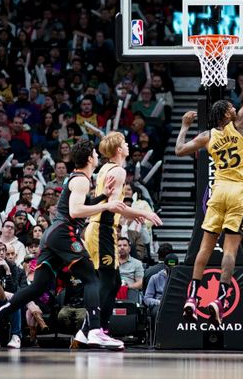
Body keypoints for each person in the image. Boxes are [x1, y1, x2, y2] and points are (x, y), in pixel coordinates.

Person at [0, 139, 130, 350]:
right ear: (88, 158)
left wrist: (103, 197)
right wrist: (109, 204)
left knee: (38, 287)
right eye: (94, 153)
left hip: (53, 235)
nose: (97, 156)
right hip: (64, 233)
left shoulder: (77, 179)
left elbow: (78, 206)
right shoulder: (81, 180)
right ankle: (95, 330)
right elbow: (76, 212)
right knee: (91, 277)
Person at [175, 29, 243, 324]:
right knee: (230, 249)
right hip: (238, 191)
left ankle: (192, 295)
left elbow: (179, 150)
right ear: (226, 114)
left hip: (217, 189)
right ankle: (220, 299)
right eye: (231, 107)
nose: (236, 107)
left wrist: (185, 125)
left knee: (204, 247)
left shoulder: (207, 135)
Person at [83, 132, 162, 336]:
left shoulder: (105, 169)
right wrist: (144, 212)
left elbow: (114, 205)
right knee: (107, 281)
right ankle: (93, 328)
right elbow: (115, 207)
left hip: (103, 227)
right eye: (125, 143)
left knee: (114, 282)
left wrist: (132, 213)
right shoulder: (117, 171)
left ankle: (100, 328)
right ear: (119, 150)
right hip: (102, 227)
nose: (128, 145)